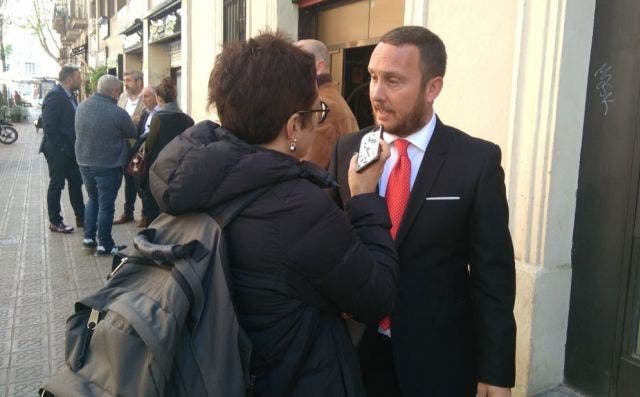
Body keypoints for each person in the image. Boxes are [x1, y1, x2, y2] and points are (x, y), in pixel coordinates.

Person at [148, 31, 398, 396]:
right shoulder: (299, 208)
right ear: (294, 126)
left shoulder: (191, 179)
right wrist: (363, 198)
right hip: (295, 378)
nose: (318, 120)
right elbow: (377, 297)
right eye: (317, 112)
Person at [329, 26, 516, 397]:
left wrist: (496, 372)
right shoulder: (348, 149)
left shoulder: (476, 161)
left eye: (393, 81)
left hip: (439, 361)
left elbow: (492, 276)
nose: (376, 94)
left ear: (433, 88)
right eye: (373, 77)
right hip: (357, 353)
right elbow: (333, 242)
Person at [75, 74, 137, 255]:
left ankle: (88, 238)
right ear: (115, 92)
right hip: (108, 165)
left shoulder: (81, 106)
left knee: (93, 199)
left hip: (84, 163)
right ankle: (105, 244)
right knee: (106, 205)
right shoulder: (117, 112)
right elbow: (132, 133)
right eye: (119, 91)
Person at [295, 39, 359, 169]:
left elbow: (307, 169)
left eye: (297, 62)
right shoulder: (327, 99)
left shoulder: (321, 106)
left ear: (319, 67)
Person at [140, 77, 193, 226]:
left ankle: (154, 230)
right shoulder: (187, 119)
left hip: (159, 165)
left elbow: (149, 144)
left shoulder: (158, 117)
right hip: (180, 164)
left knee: (154, 200)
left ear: (158, 98)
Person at [39, 65, 85, 233]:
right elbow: (49, 127)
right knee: (57, 184)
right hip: (57, 150)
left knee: (76, 182)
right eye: (78, 78)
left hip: (70, 149)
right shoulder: (54, 95)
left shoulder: (70, 96)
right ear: (69, 79)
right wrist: (62, 148)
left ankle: (82, 218)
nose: (81, 81)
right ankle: (55, 221)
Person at [114, 70, 145, 225]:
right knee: (128, 179)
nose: (125, 84)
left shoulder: (146, 97)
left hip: (139, 146)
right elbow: (118, 117)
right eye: (124, 80)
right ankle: (128, 212)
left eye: (128, 80)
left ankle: (146, 213)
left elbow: (144, 120)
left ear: (139, 82)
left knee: (139, 179)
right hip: (123, 145)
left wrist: (127, 120)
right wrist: (131, 119)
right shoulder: (122, 97)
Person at [130, 86, 159, 227]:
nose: (143, 100)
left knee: (149, 186)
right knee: (139, 183)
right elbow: (138, 133)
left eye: (146, 96)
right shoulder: (145, 114)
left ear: (156, 97)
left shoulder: (160, 115)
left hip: (154, 156)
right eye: (142, 97)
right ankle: (144, 213)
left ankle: (148, 215)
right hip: (142, 155)